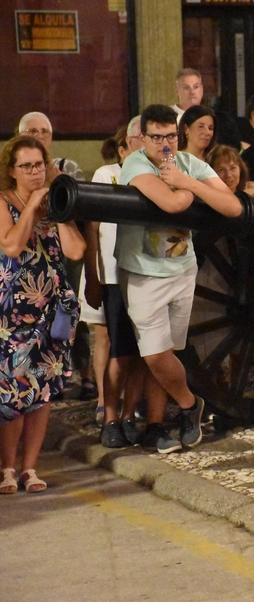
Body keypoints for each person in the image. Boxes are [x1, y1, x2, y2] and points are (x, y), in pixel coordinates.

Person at [117, 104, 241, 453]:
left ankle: (157, 426)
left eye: (170, 136)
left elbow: (231, 206)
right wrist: (191, 192)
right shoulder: (136, 164)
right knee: (155, 354)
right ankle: (189, 404)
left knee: (169, 352)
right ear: (143, 137)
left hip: (182, 269)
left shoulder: (189, 165)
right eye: (156, 138)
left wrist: (186, 182)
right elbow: (170, 205)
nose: (165, 144)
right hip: (143, 271)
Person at [0, 136, 85, 493]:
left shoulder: (55, 203)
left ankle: (29, 467)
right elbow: (12, 245)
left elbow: (77, 250)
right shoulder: (4, 201)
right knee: (14, 390)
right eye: (27, 166)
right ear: (11, 170)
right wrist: (32, 204)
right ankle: (6, 467)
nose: (35, 172)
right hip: (15, 312)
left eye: (39, 165)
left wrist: (59, 213)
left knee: (43, 389)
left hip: (53, 313)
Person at [84, 117, 147, 447]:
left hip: (146, 274)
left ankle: (129, 414)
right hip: (113, 275)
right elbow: (93, 229)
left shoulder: (155, 176)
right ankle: (109, 415)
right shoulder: (107, 175)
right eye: (138, 138)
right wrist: (92, 276)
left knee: (139, 351)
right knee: (118, 352)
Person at [17, 112, 84, 181]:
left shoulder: (68, 168)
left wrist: (62, 183)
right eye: (33, 131)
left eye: (44, 131)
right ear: (20, 136)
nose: (40, 136)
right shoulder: (14, 168)